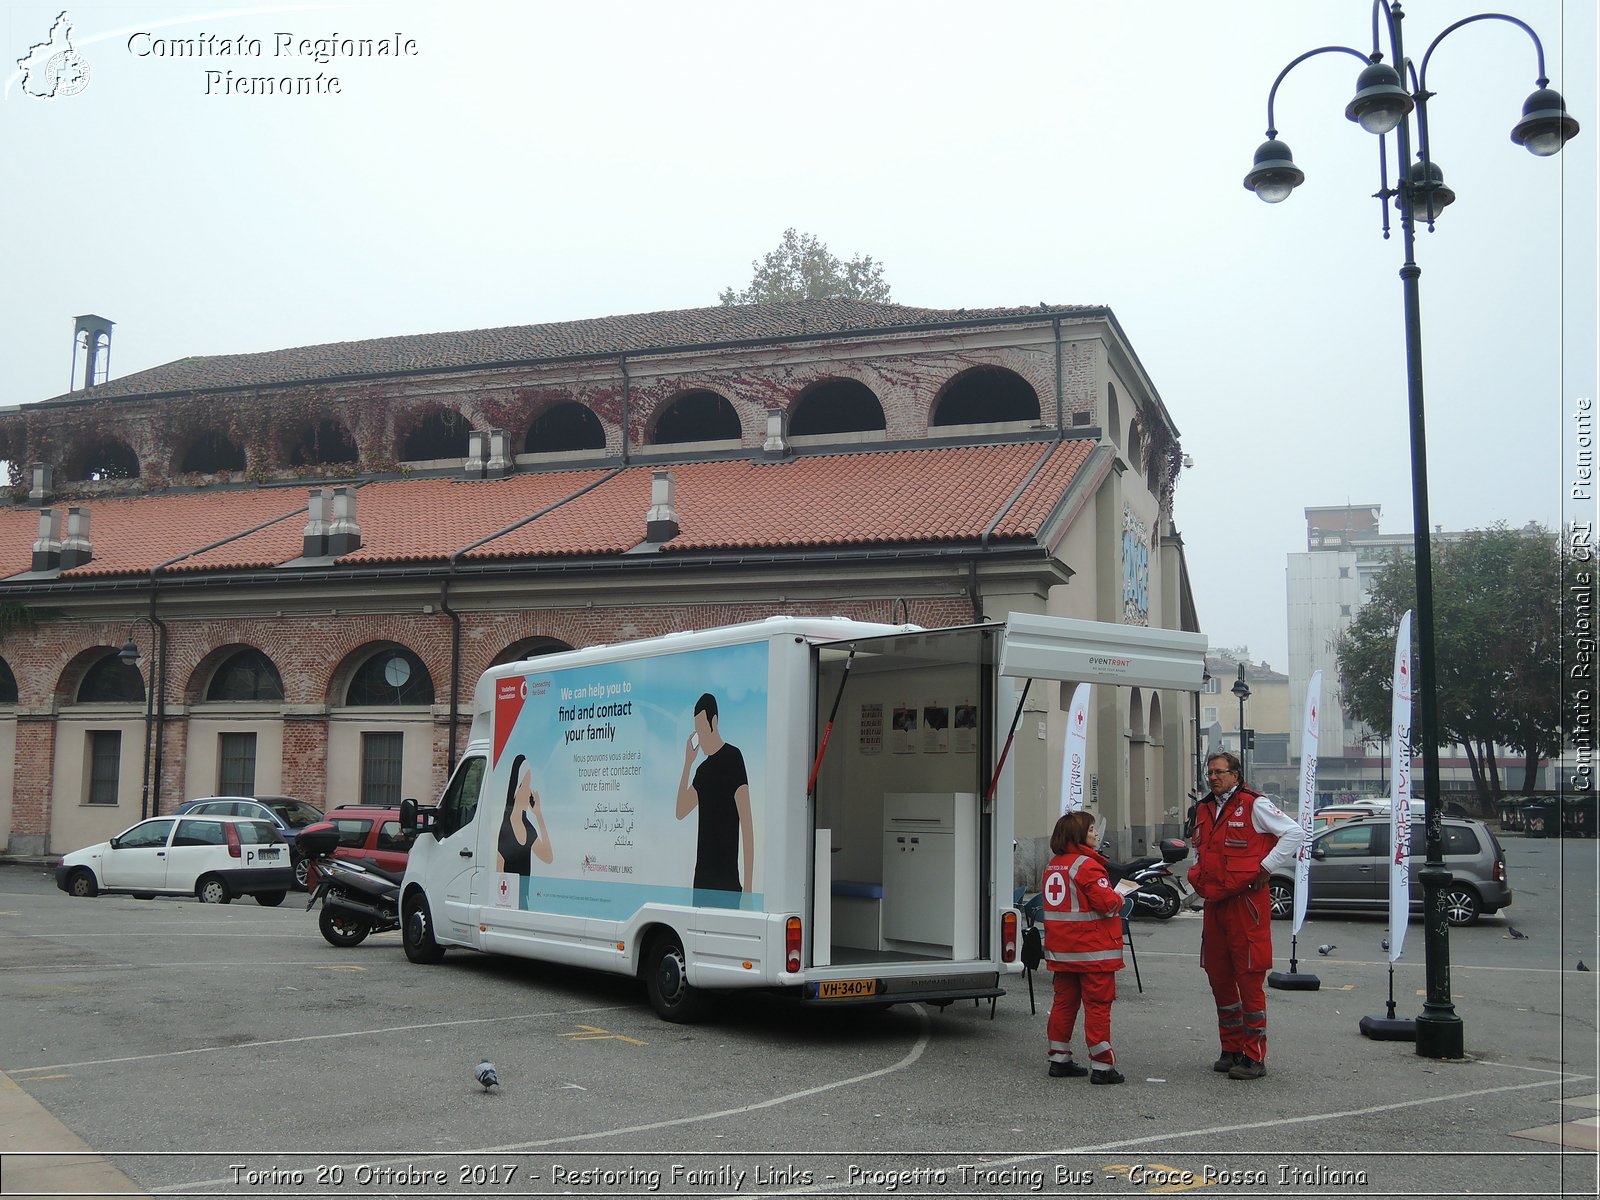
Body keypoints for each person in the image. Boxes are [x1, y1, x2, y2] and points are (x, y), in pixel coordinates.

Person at [1187, 751, 1306, 1081]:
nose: (1213, 777)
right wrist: (1197, 873)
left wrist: (1267, 867)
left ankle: (1254, 1057)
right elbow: (1200, 850)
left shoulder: (1256, 805)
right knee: (1219, 975)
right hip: (1215, 902)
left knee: (1249, 978)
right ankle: (1231, 1049)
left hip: (1246, 904)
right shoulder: (1204, 808)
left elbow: (1294, 833)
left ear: (1236, 775)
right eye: (1209, 772)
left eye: (1220, 772)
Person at [1040, 810, 1126, 1085]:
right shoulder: (1087, 866)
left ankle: (1059, 1058)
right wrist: (1120, 896)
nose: (1096, 834)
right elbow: (1107, 904)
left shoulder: (1054, 865)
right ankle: (1102, 1065)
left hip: (1062, 950)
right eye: (1091, 830)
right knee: (1098, 1007)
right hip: (1092, 951)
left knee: (1064, 1004)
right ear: (1078, 835)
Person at [675, 693, 754, 893]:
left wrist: (749, 887)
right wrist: (688, 763)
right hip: (701, 883)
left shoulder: (733, 758)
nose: (700, 737)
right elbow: (681, 811)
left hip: (727, 882)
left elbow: (747, 825)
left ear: (714, 721)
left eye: (702, 729)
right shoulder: (702, 771)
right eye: (697, 732)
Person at [496, 754, 554, 874]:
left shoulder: (527, 827)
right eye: (527, 786)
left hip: (525, 893)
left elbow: (548, 857)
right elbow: (499, 872)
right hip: (508, 893)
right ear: (518, 788)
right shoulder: (505, 829)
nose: (529, 793)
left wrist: (538, 815)